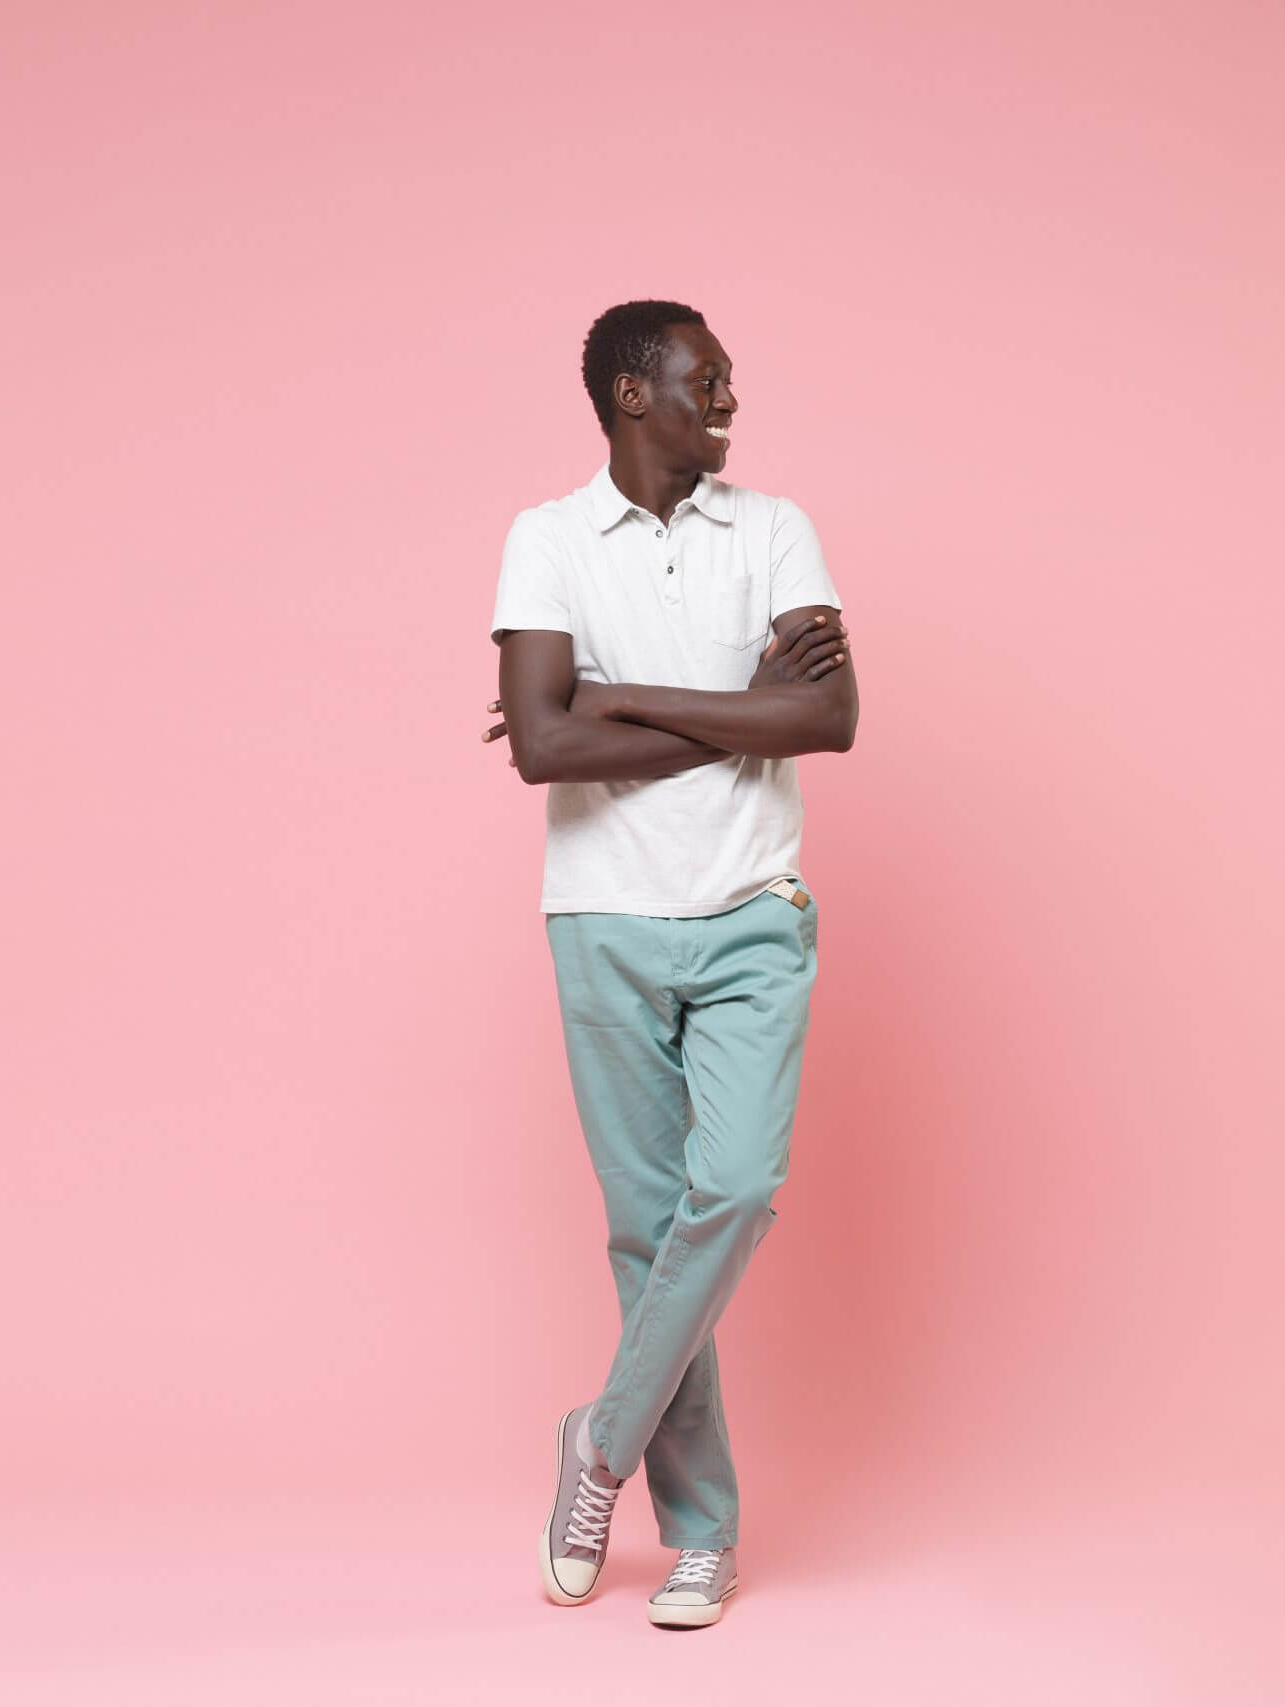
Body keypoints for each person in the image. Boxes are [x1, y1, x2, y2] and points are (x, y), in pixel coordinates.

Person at [481, 299, 858, 1628]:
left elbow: (832, 715)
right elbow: (541, 747)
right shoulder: (548, 540)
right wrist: (741, 711)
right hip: (605, 920)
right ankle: (701, 1534)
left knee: (738, 1187)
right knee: (650, 1236)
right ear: (635, 394)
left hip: (753, 908)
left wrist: (624, 694)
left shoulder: (775, 529)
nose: (730, 402)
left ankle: (600, 1439)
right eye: (708, 380)